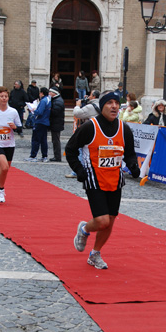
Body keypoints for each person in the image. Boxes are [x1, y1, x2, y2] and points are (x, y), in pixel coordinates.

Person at [65, 90, 140, 270]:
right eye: (109, 103)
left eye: (117, 103)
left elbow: (129, 153)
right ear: (102, 106)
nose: (114, 106)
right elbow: (70, 149)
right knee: (102, 221)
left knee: (110, 221)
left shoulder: (124, 128)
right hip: (94, 179)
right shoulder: (90, 127)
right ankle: (84, 229)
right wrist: (79, 170)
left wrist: (133, 166)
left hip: (115, 180)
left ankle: (95, 254)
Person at [66, 90, 101, 178]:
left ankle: (76, 172)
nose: (88, 96)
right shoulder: (102, 105)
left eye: (90, 95)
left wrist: (77, 105)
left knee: (82, 150)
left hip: (89, 131)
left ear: (93, 96)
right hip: (99, 132)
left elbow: (77, 114)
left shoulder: (90, 107)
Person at [25, 87, 51, 162]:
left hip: (40, 121)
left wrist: (33, 110)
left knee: (36, 139)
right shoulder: (48, 100)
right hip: (45, 122)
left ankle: (33, 156)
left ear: (42, 93)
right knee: (43, 140)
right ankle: (44, 155)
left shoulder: (43, 101)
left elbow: (40, 112)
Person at [49, 87, 65, 161]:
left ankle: (57, 156)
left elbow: (55, 112)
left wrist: (49, 110)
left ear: (54, 93)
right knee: (55, 140)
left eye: (50, 92)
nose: (49, 93)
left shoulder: (57, 101)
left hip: (56, 123)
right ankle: (57, 156)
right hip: (56, 122)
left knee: (56, 140)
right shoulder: (57, 100)